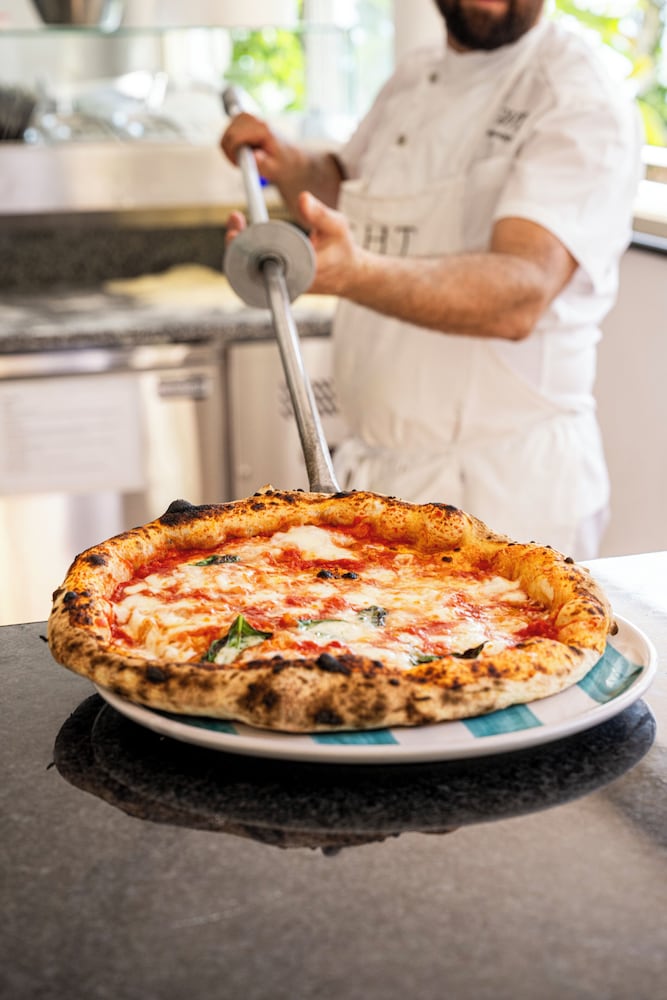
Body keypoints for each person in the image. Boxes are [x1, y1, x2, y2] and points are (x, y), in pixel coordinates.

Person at [220, 0, 642, 558]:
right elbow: (349, 189)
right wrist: (287, 162)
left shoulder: (576, 98)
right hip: (383, 477)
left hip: (503, 492)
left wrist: (355, 274)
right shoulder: (415, 75)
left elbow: (520, 294)